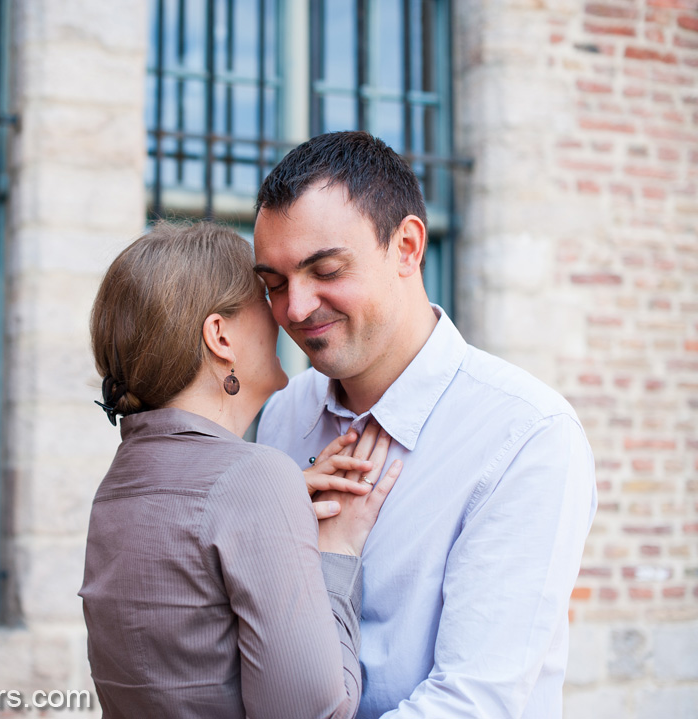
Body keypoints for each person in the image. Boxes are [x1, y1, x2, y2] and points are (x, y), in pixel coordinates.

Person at [252, 131, 598, 719]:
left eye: (326, 269)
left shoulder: (527, 435)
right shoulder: (284, 415)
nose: (296, 308)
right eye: (275, 284)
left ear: (408, 247)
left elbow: (472, 703)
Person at [79, 221, 402, 719]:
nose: (286, 314)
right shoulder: (253, 479)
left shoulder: (118, 484)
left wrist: (283, 500)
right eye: (267, 293)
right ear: (220, 336)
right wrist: (335, 551)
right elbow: (313, 713)